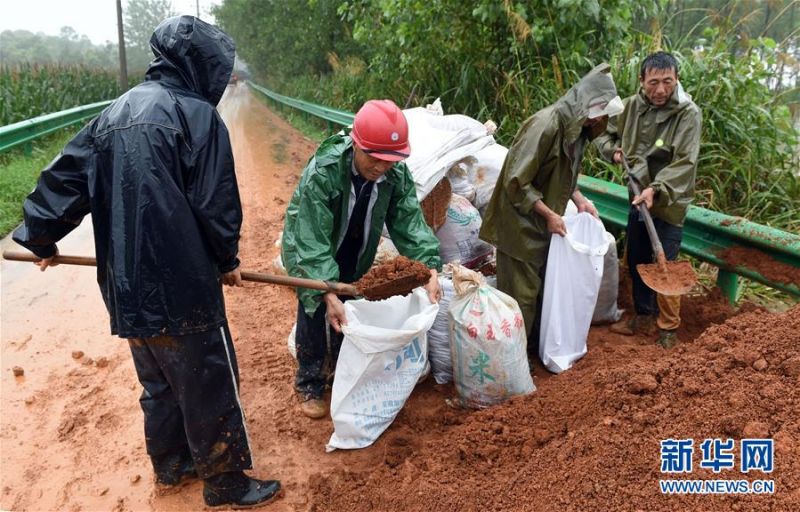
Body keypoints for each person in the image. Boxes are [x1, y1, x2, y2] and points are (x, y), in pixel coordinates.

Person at [12, 16, 281, 509]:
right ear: (202, 66)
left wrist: (39, 236)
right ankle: (225, 482)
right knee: (207, 380)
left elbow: (62, 180)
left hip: (126, 287)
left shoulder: (111, 115)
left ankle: (171, 464)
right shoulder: (198, 116)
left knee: (158, 380)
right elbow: (216, 203)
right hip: (184, 285)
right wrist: (226, 260)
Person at [282, 99, 442, 419]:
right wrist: (325, 290)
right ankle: (310, 381)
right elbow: (311, 239)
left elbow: (409, 223)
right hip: (310, 244)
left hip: (356, 247)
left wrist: (428, 269)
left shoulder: (395, 176)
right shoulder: (326, 171)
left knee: (349, 309)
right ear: (357, 144)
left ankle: (341, 371)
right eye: (374, 158)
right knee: (315, 307)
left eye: (389, 160)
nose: (381, 167)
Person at [479, 63, 623, 359]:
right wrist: (550, 215)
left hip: (540, 222)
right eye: (603, 115)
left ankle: (533, 351)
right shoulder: (545, 125)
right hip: (518, 225)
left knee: (540, 291)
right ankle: (514, 361)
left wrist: (580, 199)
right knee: (521, 296)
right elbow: (517, 182)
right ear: (589, 111)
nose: (605, 122)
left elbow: (562, 175)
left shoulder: (577, 132)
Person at [595, 51, 701, 348]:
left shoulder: (687, 113)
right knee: (639, 257)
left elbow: (684, 162)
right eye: (653, 82)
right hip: (635, 197)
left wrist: (656, 189)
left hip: (668, 201)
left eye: (668, 82)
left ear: (676, 79)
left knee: (665, 260)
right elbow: (604, 136)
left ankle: (668, 330)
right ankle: (642, 316)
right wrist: (613, 152)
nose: (660, 90)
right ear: (641, 81)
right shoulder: (630, 107)